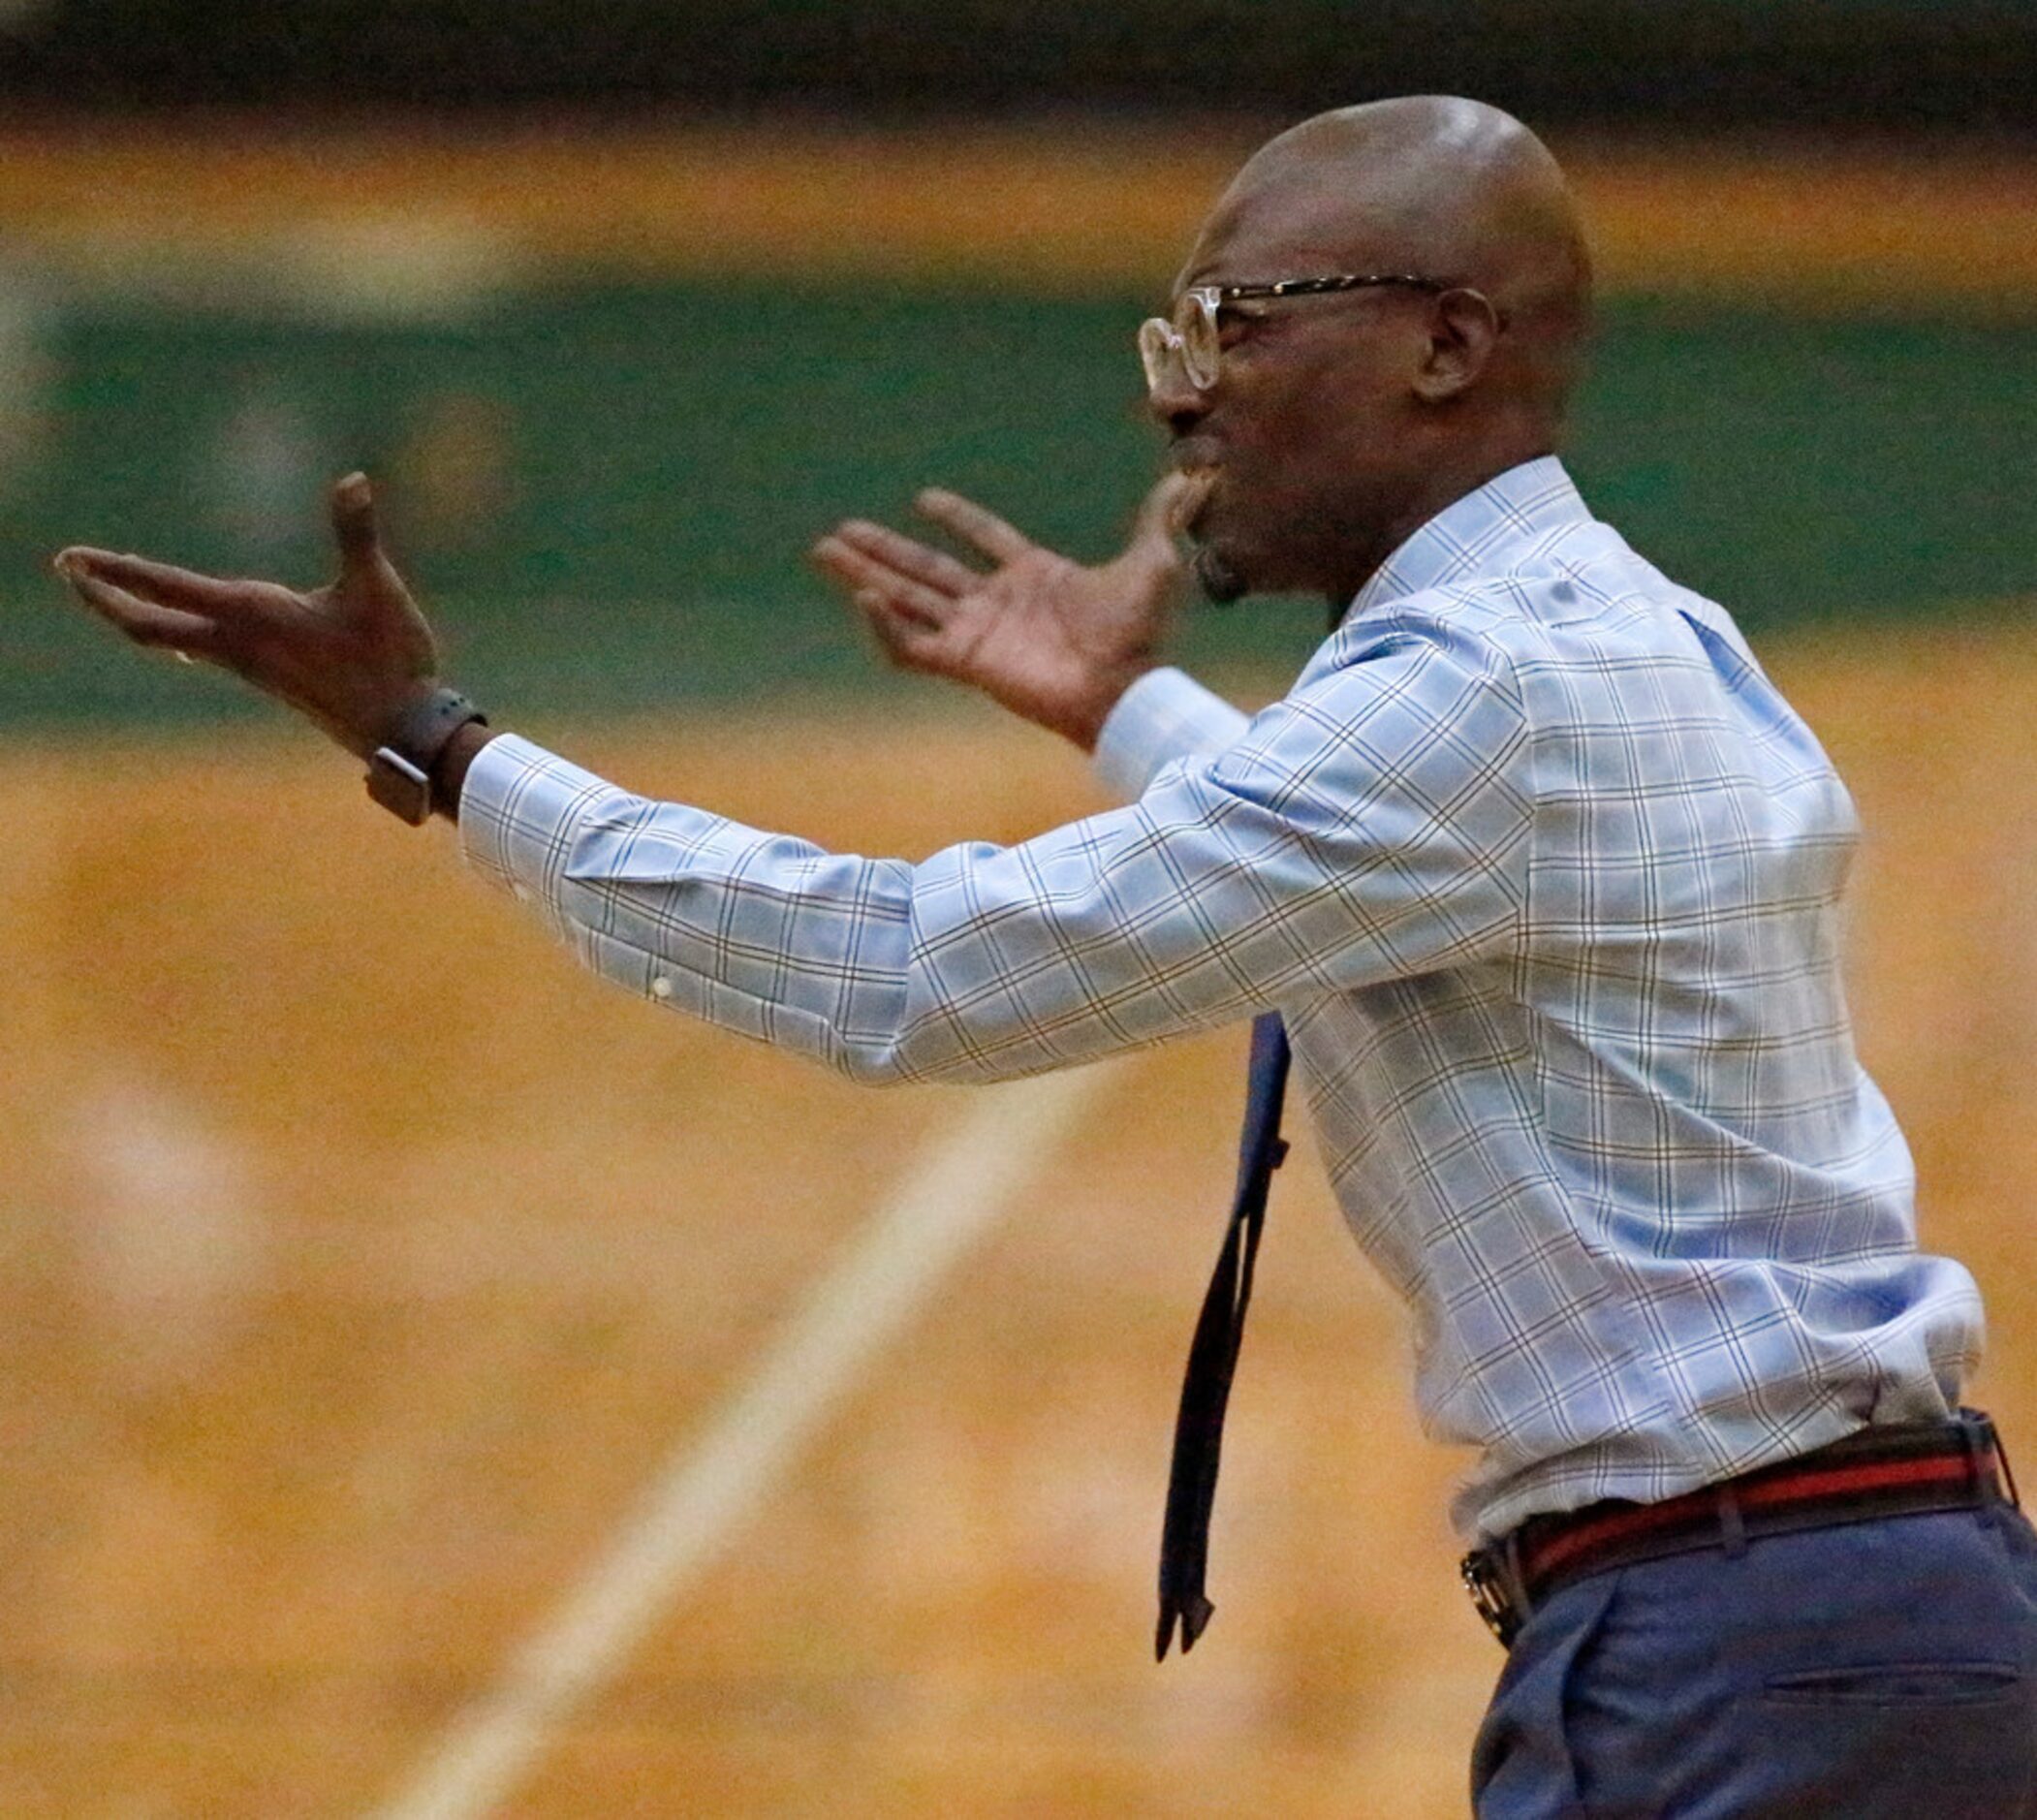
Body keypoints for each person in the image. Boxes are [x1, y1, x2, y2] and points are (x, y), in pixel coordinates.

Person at [53, 96, 2037, 1817]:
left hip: (1749, 1650)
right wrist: (1131, 708)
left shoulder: (1491, 688)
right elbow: (1385, 873)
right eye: (1172, 329)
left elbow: (917, 974)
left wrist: (444, 750)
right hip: (1829, 1618)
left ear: (1446, 345)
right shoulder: (1599, 633)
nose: (1177, 387)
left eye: (1235, 325)